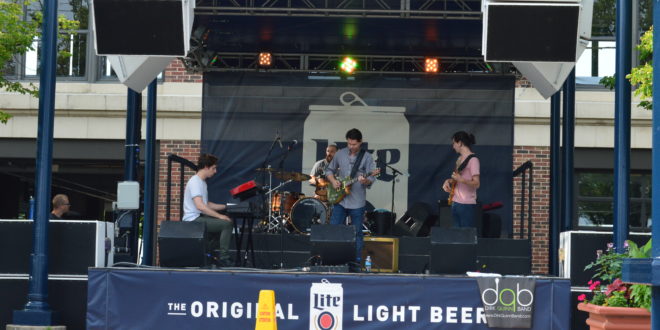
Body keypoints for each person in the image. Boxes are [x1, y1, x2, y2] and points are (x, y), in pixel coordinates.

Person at [326, 129, 377, 263]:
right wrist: (333, 181)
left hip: (357, 201)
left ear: (360, 142)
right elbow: (329, 170)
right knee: (334, 229)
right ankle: (332, 260)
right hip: (340, 199)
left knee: (357, 233)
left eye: (354, 144)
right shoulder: (340, 153)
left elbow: (371, 179)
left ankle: (357, 262)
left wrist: (364, 180)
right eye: (349, 143)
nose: (351, 147)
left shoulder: (367, 157)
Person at [183, 153, 233, 266]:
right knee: (226, 224)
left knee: (220, 226)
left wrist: (226, 206)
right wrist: (220, 216)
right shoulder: (195, 182)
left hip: (199, 217)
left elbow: (207, 204)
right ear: (206, 167)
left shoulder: (202, 183)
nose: (215, 171)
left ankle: (206, 253)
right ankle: (224, 258)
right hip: (193, 220)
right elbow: (200, 206)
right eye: (214, 168)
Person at [442, 131, 480, 228]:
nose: (453, 146)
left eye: (454, 143)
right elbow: (456, 178)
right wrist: (448, 181)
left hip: (466, 204)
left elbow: (477, 183)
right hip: (455, 202)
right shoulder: (459, 159)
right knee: (457, 237)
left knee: (466, 237)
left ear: (460, 143)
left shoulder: (473, 160)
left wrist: (461, 180)